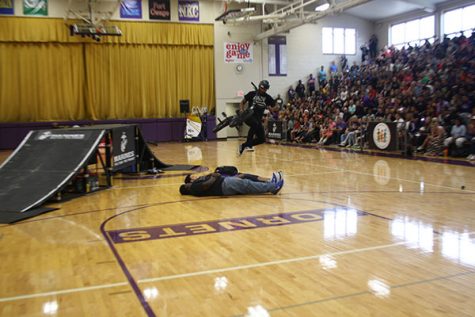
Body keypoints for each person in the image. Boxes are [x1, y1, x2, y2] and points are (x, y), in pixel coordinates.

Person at [238, 80, 276, 155]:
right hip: (249, 116)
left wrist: (272, 109)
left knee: (262, 139)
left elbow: (276, 106)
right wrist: (241, 110)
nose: (263, 90)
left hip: (258, 120)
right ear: (259, 86)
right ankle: (248, 145)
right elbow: (242, 102)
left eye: (265, 89)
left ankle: (243, 146)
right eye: (262, 88)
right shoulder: (252, 94)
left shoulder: (267, 97)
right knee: (254, 124)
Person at [180, 171, 284, 196]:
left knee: (245, 179)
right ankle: (273, 187)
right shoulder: (194, 188)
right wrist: (213, 177)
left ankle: (270, 182)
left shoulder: (195, 185)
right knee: (247, 184)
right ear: (186, 186)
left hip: (224, 182)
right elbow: (205, 185)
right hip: (224, 185)